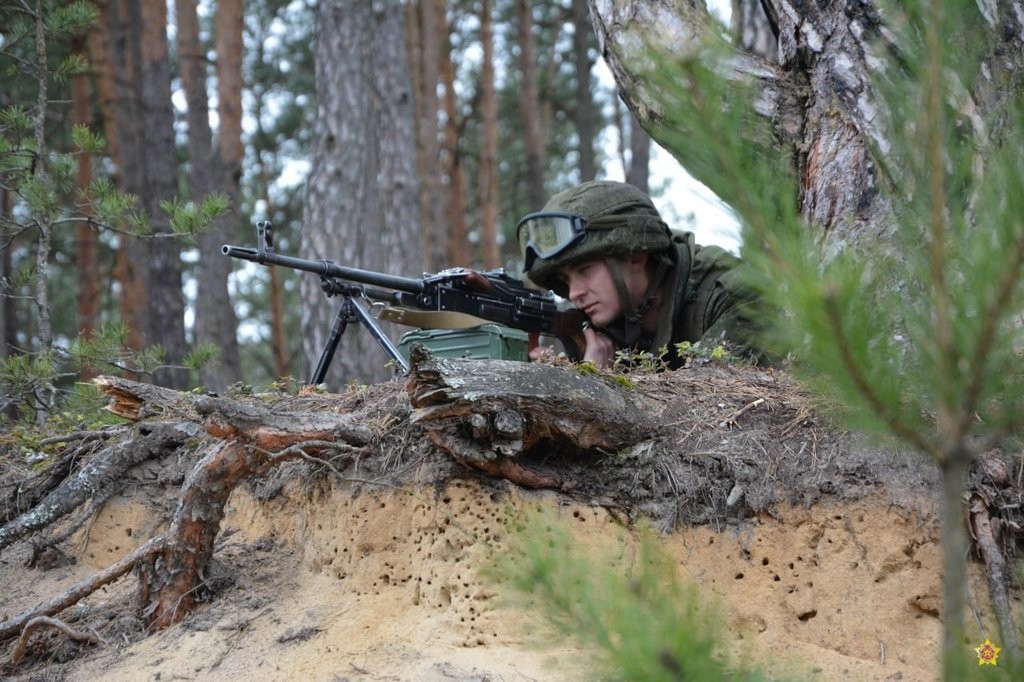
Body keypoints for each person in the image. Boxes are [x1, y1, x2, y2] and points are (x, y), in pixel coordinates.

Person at [517, 180, 768, 369]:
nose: (574, 293)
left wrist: (597, 386)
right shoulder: (604, 328)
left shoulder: (736, 298)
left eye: (585, 270)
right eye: (566, 280)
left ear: (636, 256)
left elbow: (701, 418)